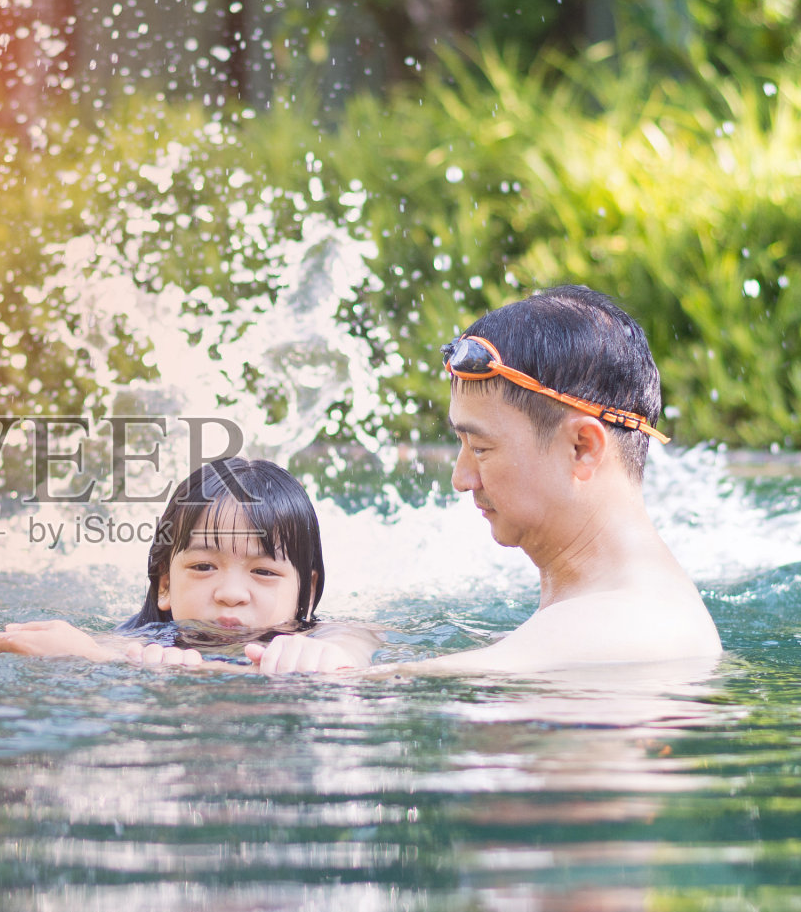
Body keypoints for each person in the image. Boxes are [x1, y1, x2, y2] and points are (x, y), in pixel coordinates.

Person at [244, 284, 723, 675]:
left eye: (482, 448)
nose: (461, 477)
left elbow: (355, 688)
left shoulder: (629, 626)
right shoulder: (589, 612)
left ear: (582, 448)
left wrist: (175, 669)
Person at [0, 457, 380, 673]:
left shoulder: (327, 635)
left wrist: (331, 657)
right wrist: (80, 653)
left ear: (307, 592)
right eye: (204, 566)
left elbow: (360, 640)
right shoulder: (143, 642)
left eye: (263, 571)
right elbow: (95, 649)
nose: (230, 594)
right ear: (165, 585)